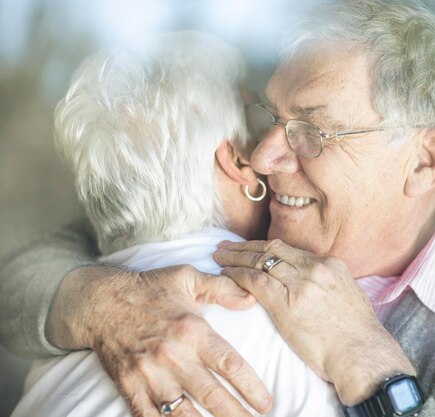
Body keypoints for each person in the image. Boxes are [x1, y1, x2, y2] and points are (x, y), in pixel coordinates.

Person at [1, 1, 435, 416]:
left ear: (424, 162)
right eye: (271, 117)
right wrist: (105, 304)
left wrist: (369, 367)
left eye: (312, 130)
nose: (262, 156)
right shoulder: (247, 215)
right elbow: (23, 278)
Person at [10, 32, 340, 417]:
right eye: (259, 121)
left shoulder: (52, 349)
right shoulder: (276, 322)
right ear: (236, 162)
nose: (271, 148)